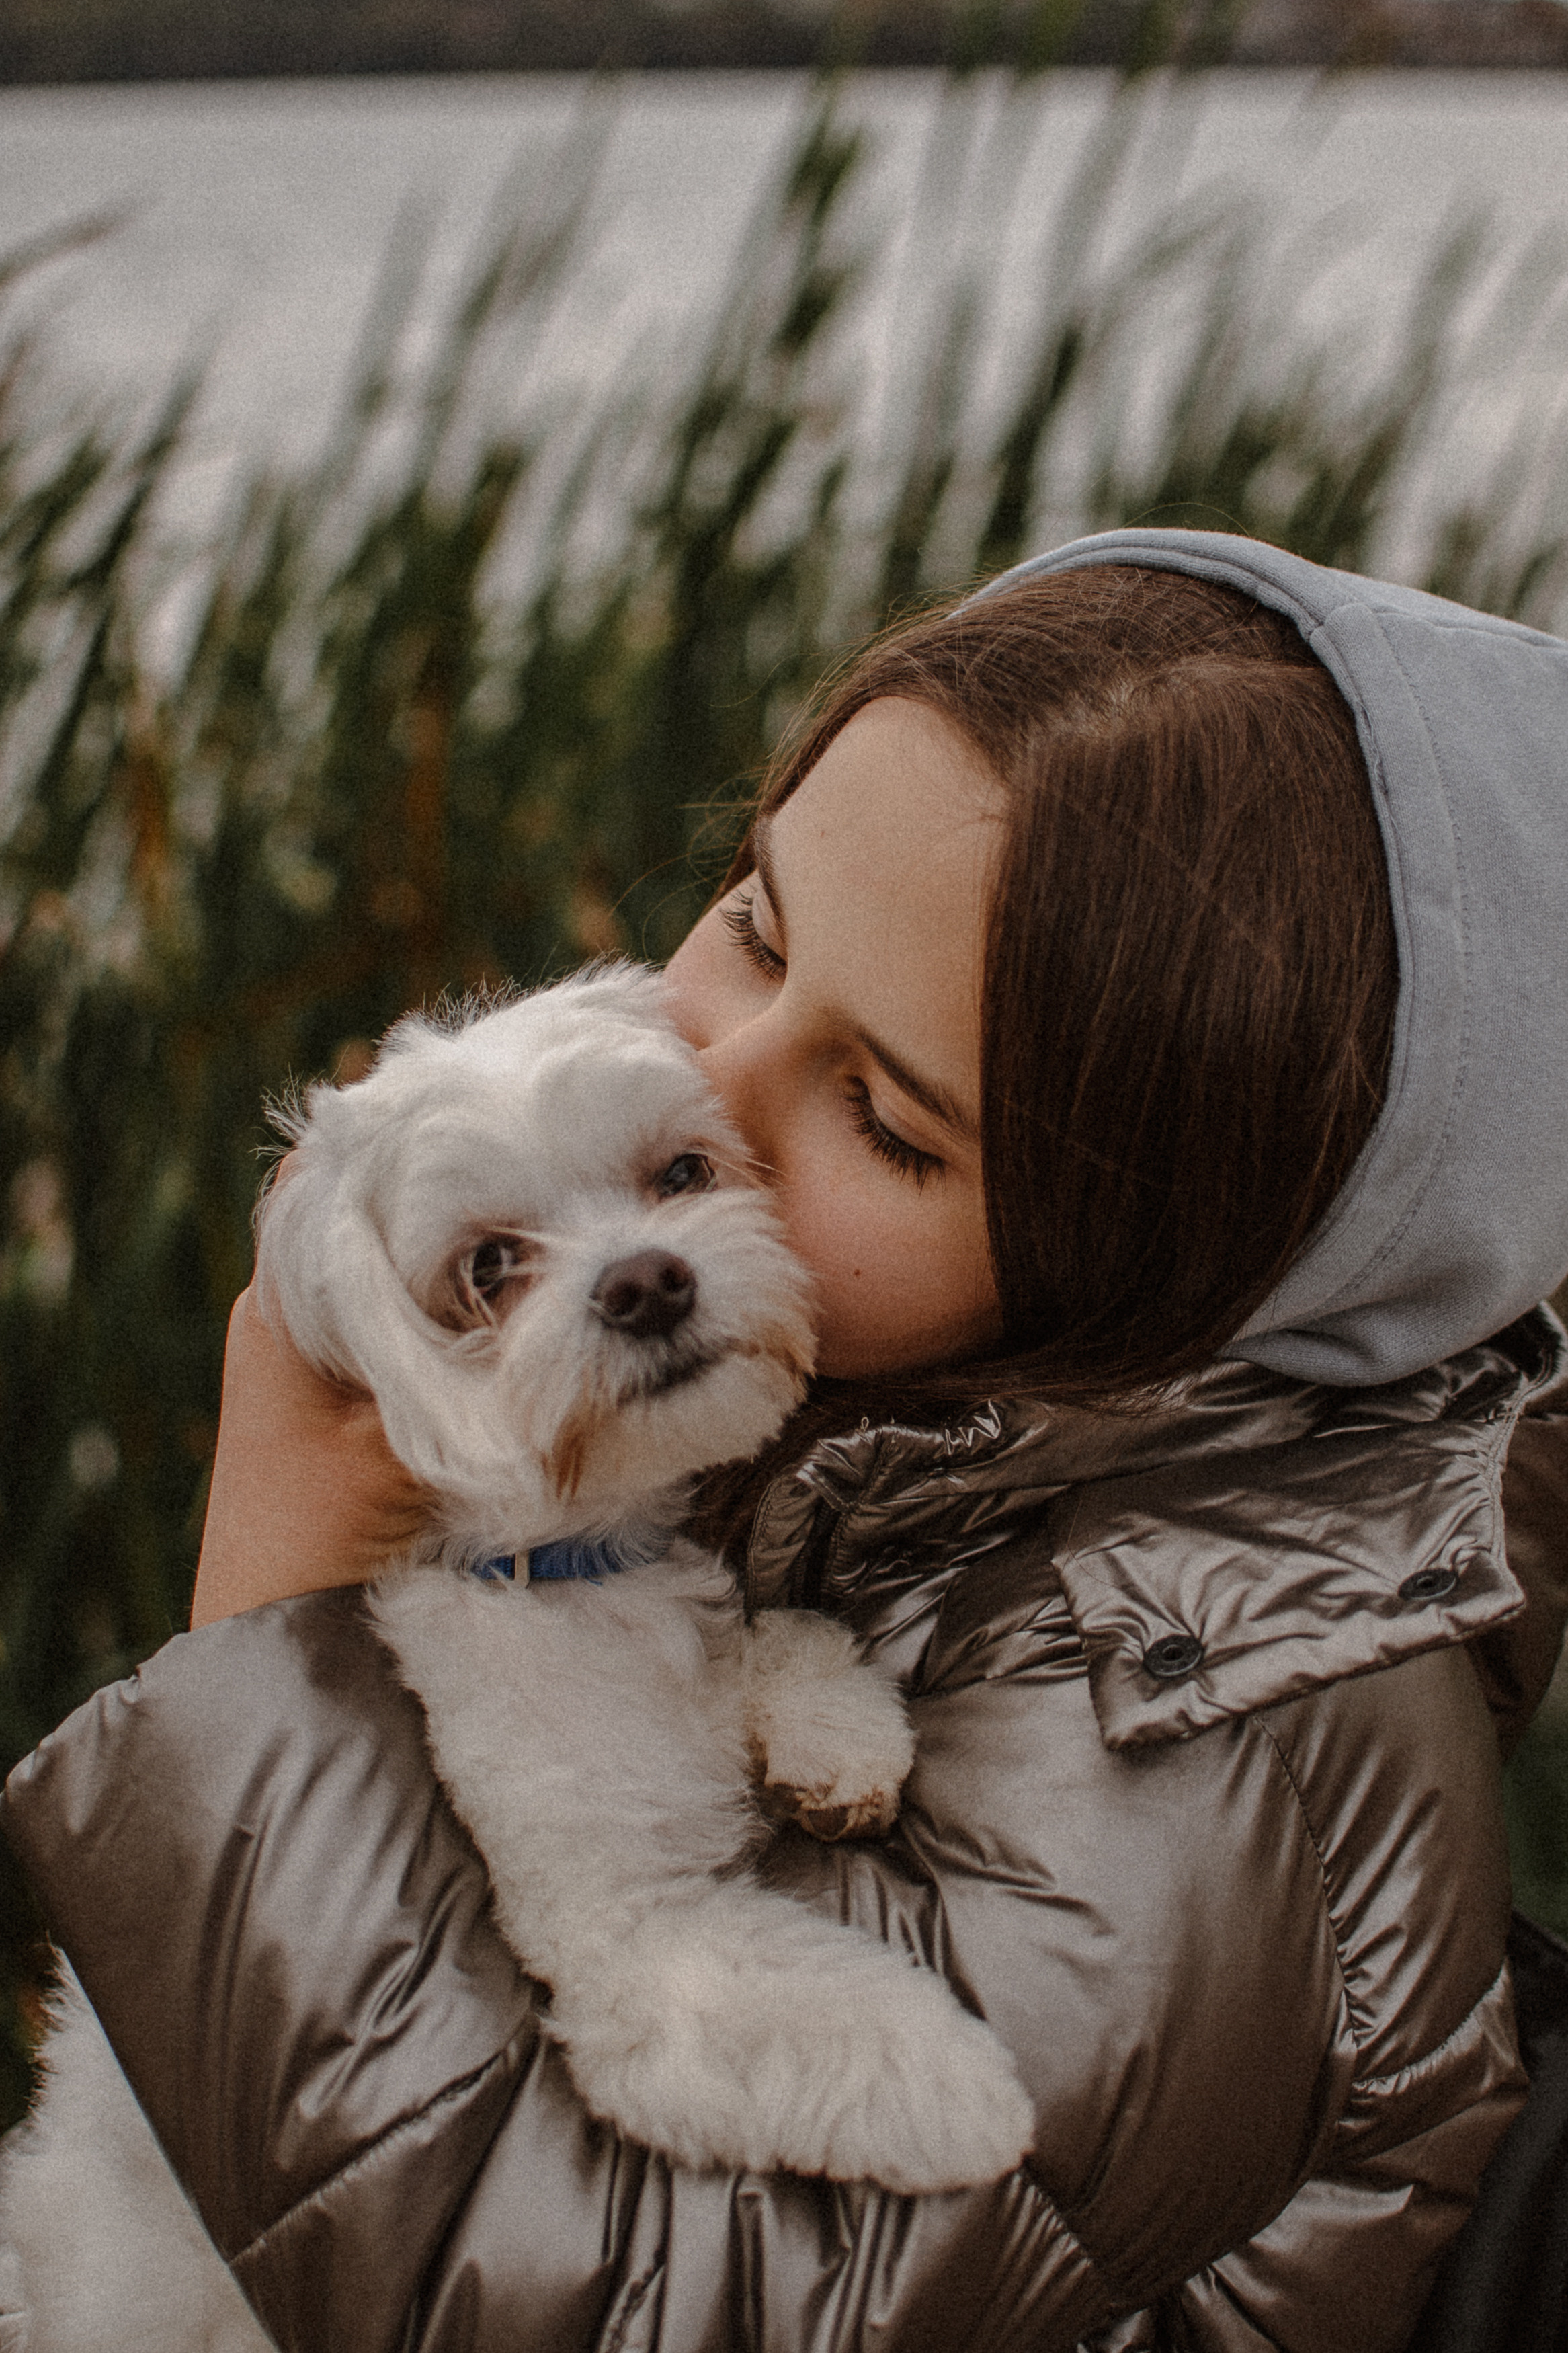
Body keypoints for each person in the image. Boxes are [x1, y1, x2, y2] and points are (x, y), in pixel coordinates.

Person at [6, 527, 1568, 2353]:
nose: (714, 1085)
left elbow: (620, 2302)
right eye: (753, 921)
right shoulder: (887, 1435)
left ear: (1177, 1284)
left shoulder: (1231, 1748)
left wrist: (268, 1606)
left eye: (888, 1123)